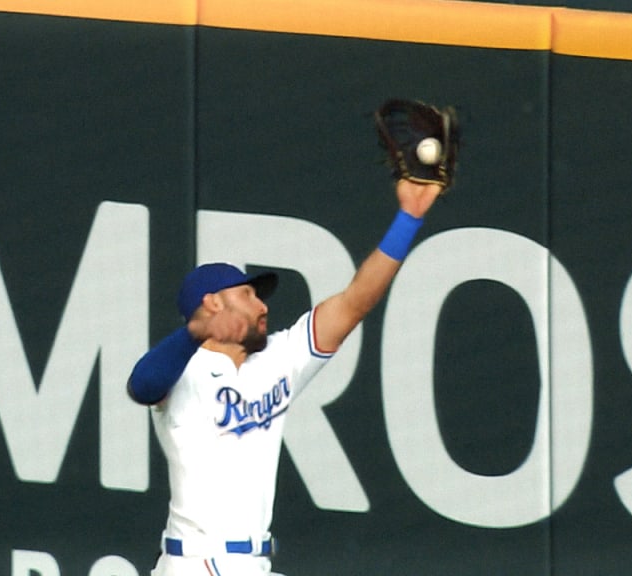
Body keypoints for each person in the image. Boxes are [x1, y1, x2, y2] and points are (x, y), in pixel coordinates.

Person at [127, 178, 442, 576]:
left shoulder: (279, 358)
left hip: (252, 563)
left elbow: (354, 301)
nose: (262, 306)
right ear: (212, 302)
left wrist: (409, 218)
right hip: (195, 563)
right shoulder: (180, 369)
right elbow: (141, 386)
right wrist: (195, 334)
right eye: (248, 295)